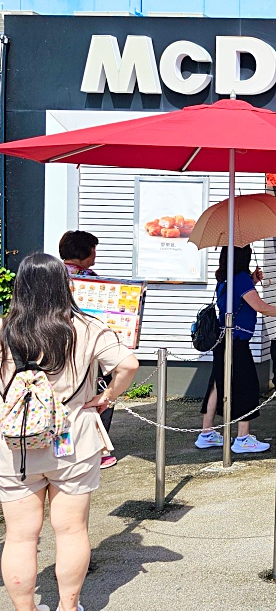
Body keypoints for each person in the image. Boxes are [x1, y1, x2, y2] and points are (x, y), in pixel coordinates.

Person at [0, 253, 139, 611]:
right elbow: (129, 363)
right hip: (72, 438)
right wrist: (106, 396)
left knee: (18, 536)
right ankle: (67, 606)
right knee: (72, 530)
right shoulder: (87, 327)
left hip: (15, 445)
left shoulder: (4, 329)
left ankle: (24, 609)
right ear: (64, 285)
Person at [196, 246, 276, 454]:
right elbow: (260, 306)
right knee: (245, 386)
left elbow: (236, 299)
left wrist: (253, 280)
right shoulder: (240, 278)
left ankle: (206, 433)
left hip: (222, 340)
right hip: (237, 341)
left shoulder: (224, 277)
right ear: (243, 257)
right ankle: (243, 438)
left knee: (216, 384)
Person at [57, 231, 118, 472]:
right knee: (97, 400)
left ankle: (62, 450)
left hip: (56, 351)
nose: (95, 255)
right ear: (84, 254)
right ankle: (98, 452)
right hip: (88, 352)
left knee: (61, 404)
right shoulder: (89, 279)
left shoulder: (51, 275)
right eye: (93, 250)